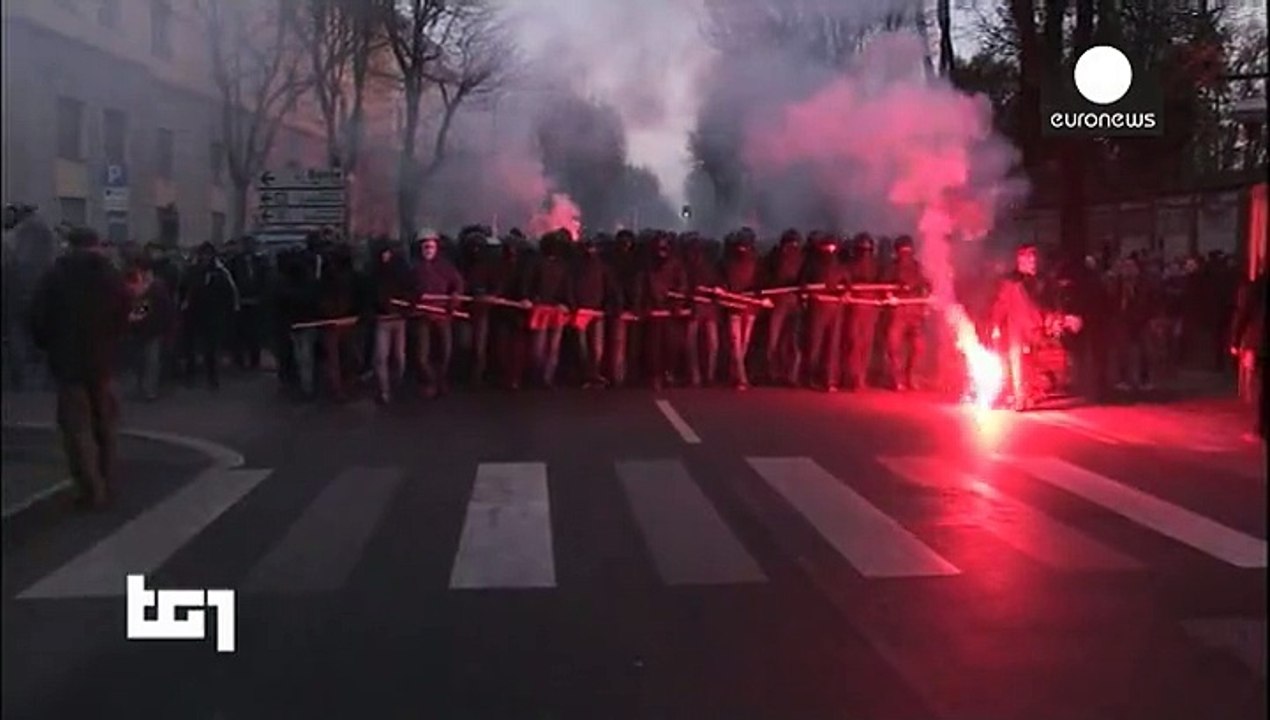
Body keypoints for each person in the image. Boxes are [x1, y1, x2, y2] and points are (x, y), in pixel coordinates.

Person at [26, 227, 131, 509]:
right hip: (103, 362)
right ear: (95, 245)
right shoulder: (111, 275)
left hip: (68, 364)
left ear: (70, 245)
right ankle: (109, 482)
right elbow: (126, 312)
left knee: (77, 430)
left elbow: (37, 317)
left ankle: (91, 490)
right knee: (106, 426)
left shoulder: (55, 275)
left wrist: (48, 345)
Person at [988, 243, 1051, 410]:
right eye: (1029, 259)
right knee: (1019, 364)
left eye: (1034, 259)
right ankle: (1020, 398)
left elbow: (1048, 302)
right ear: (1020, 261)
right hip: (1018, 329)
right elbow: (1001, 304)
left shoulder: (1042, 280)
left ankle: (1031, 393)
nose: (1033, 262)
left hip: (1037, 327)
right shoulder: (1012, 282)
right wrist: (996, 324)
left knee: (1034, 363)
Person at [179, 242, 238, 390]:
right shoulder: (192, 271)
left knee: (211, 348)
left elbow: (229, 294)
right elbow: (183, 290)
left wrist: (226, 311)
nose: (205, 257)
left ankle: (212, 377)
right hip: (194, 313)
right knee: (190, 347)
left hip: (213, 315)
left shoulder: (220, 272)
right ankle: (190, 375)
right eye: (203, 254)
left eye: (208, 254)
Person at [412, 230, 464, 397]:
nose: (428, 249)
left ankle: (441, 380)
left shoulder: (446, 266)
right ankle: (430, 381)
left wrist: (455, 298)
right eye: (425, 246)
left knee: (445, 352)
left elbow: (458, 284)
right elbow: (405, 290)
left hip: (442, 314)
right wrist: (412, 299)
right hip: (422, 316)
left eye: (431, 246)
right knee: (421, 356)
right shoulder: (414, 268)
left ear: (437, 248)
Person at [523, 230, 574, 388]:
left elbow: (567, 288)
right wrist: (529, 299)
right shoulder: (537, 264)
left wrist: (568, 305)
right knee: (539, 347)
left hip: (556, 310)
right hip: (541, 309)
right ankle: (538, 377)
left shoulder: (561, 266)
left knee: (551, 347)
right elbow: (528, 284)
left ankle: (546, 379)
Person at [369, 238, 416, 404]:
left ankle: (396, 386)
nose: (384, 255)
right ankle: (385, 391)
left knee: (398, 356)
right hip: (383, 319)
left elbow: (412, 291)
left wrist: (405, 307)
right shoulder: (375, 271)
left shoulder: (400, 269)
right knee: (382, 357)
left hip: (397, 319)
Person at [571, 234, 621, 388]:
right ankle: (587, 375)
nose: (590, 250)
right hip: (582, 311)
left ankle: (593, 374)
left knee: (594, 346)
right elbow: (570, 287)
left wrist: (608, 307)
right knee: (584, 346)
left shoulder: (603, 268)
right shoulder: (576, 267)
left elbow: (611, 289)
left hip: (595, 312)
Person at [800, 232, 849, 391]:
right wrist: (809, 294)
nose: (829, 249)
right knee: (814, 343)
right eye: (826, 246)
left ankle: (829, 380)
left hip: (835, 309)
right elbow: (803, 284)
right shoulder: (812, 265)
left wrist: (845, 294)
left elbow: (848, 285)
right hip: (817, 309)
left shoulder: (840, 267)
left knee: (832, 345)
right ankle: (809, 378)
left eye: (832, 246)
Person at [883, 235, 930, 391]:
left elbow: (926, 284)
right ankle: (897, 380)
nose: (906, 253)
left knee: (918, 347)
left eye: (908, 250)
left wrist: (927, 297)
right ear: (897, 251)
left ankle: (911, 377)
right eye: (903, 250)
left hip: (915, 312)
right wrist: (889, 296)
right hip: (898, 311)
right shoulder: (891, 267)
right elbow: (883, 285)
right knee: (893, 346)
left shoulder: (917, 267)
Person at [124, 262, 176, 401]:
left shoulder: (154, 289)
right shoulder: (150, 288)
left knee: (149, 360)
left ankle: (148, 389)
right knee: (146, 360)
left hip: (151, 329)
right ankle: (147, 388)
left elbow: (161, 310)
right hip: (147, 329)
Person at [720, 230, 761, 389]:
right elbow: (723, 280)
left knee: (744, 342)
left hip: (750, 307)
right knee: (736, 342)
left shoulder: (755, 262)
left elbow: (759, 282)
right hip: (734, 307)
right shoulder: (728, 263)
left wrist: (757, 295)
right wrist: (724, 291)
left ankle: (735, 372)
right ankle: (741, 378)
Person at [764, 229, 805, 386]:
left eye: (795, 243)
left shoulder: (801, 258)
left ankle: (791, 376)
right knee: (773, 339)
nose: (792, 246)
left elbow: (804, 276)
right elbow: (767, 274)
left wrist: (801, 289)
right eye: (790, 243)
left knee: (792, 341)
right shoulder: (774, 257)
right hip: (778, 300)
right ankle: (772, 374)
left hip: (794, 301)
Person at [1230, 269, 1266, 442]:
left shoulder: (1257, 287)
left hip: (1260, 340)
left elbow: (1243, 314)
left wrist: (1235, 341)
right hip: (1259, 340)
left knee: (1261, 384)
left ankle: (1261, 428)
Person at [843, 233, 881, 390]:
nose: (864, 252)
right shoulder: (850, 265)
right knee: (855, 343)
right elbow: (845, 280)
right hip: (856, 308)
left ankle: (860, 377)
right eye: (862, 249)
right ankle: (854, 377)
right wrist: (846, 290)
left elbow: (883, 283)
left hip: (869, 308)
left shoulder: (876, 265)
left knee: (864, 344)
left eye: (867, 249)